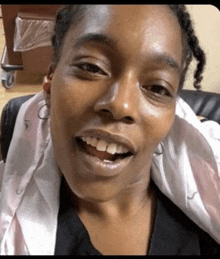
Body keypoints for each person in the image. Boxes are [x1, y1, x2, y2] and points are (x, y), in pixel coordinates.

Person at [0, 4, 220, 255]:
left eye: (158, 88)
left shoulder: (206, 217)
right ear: (50, 79)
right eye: (92, 67)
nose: (120, 104)